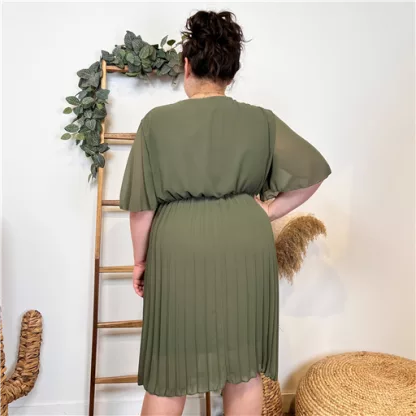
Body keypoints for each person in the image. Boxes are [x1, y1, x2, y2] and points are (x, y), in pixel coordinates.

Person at [119, 10, 331, 416]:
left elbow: (142, 208)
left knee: (169, 371)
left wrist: (140, 261)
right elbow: (313, 173)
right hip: (245, 244)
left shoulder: (156, 123)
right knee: (243, 371)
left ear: (187, 65)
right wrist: (267, 211)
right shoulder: (260, 121)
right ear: (231, 73)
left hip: (178, 247)